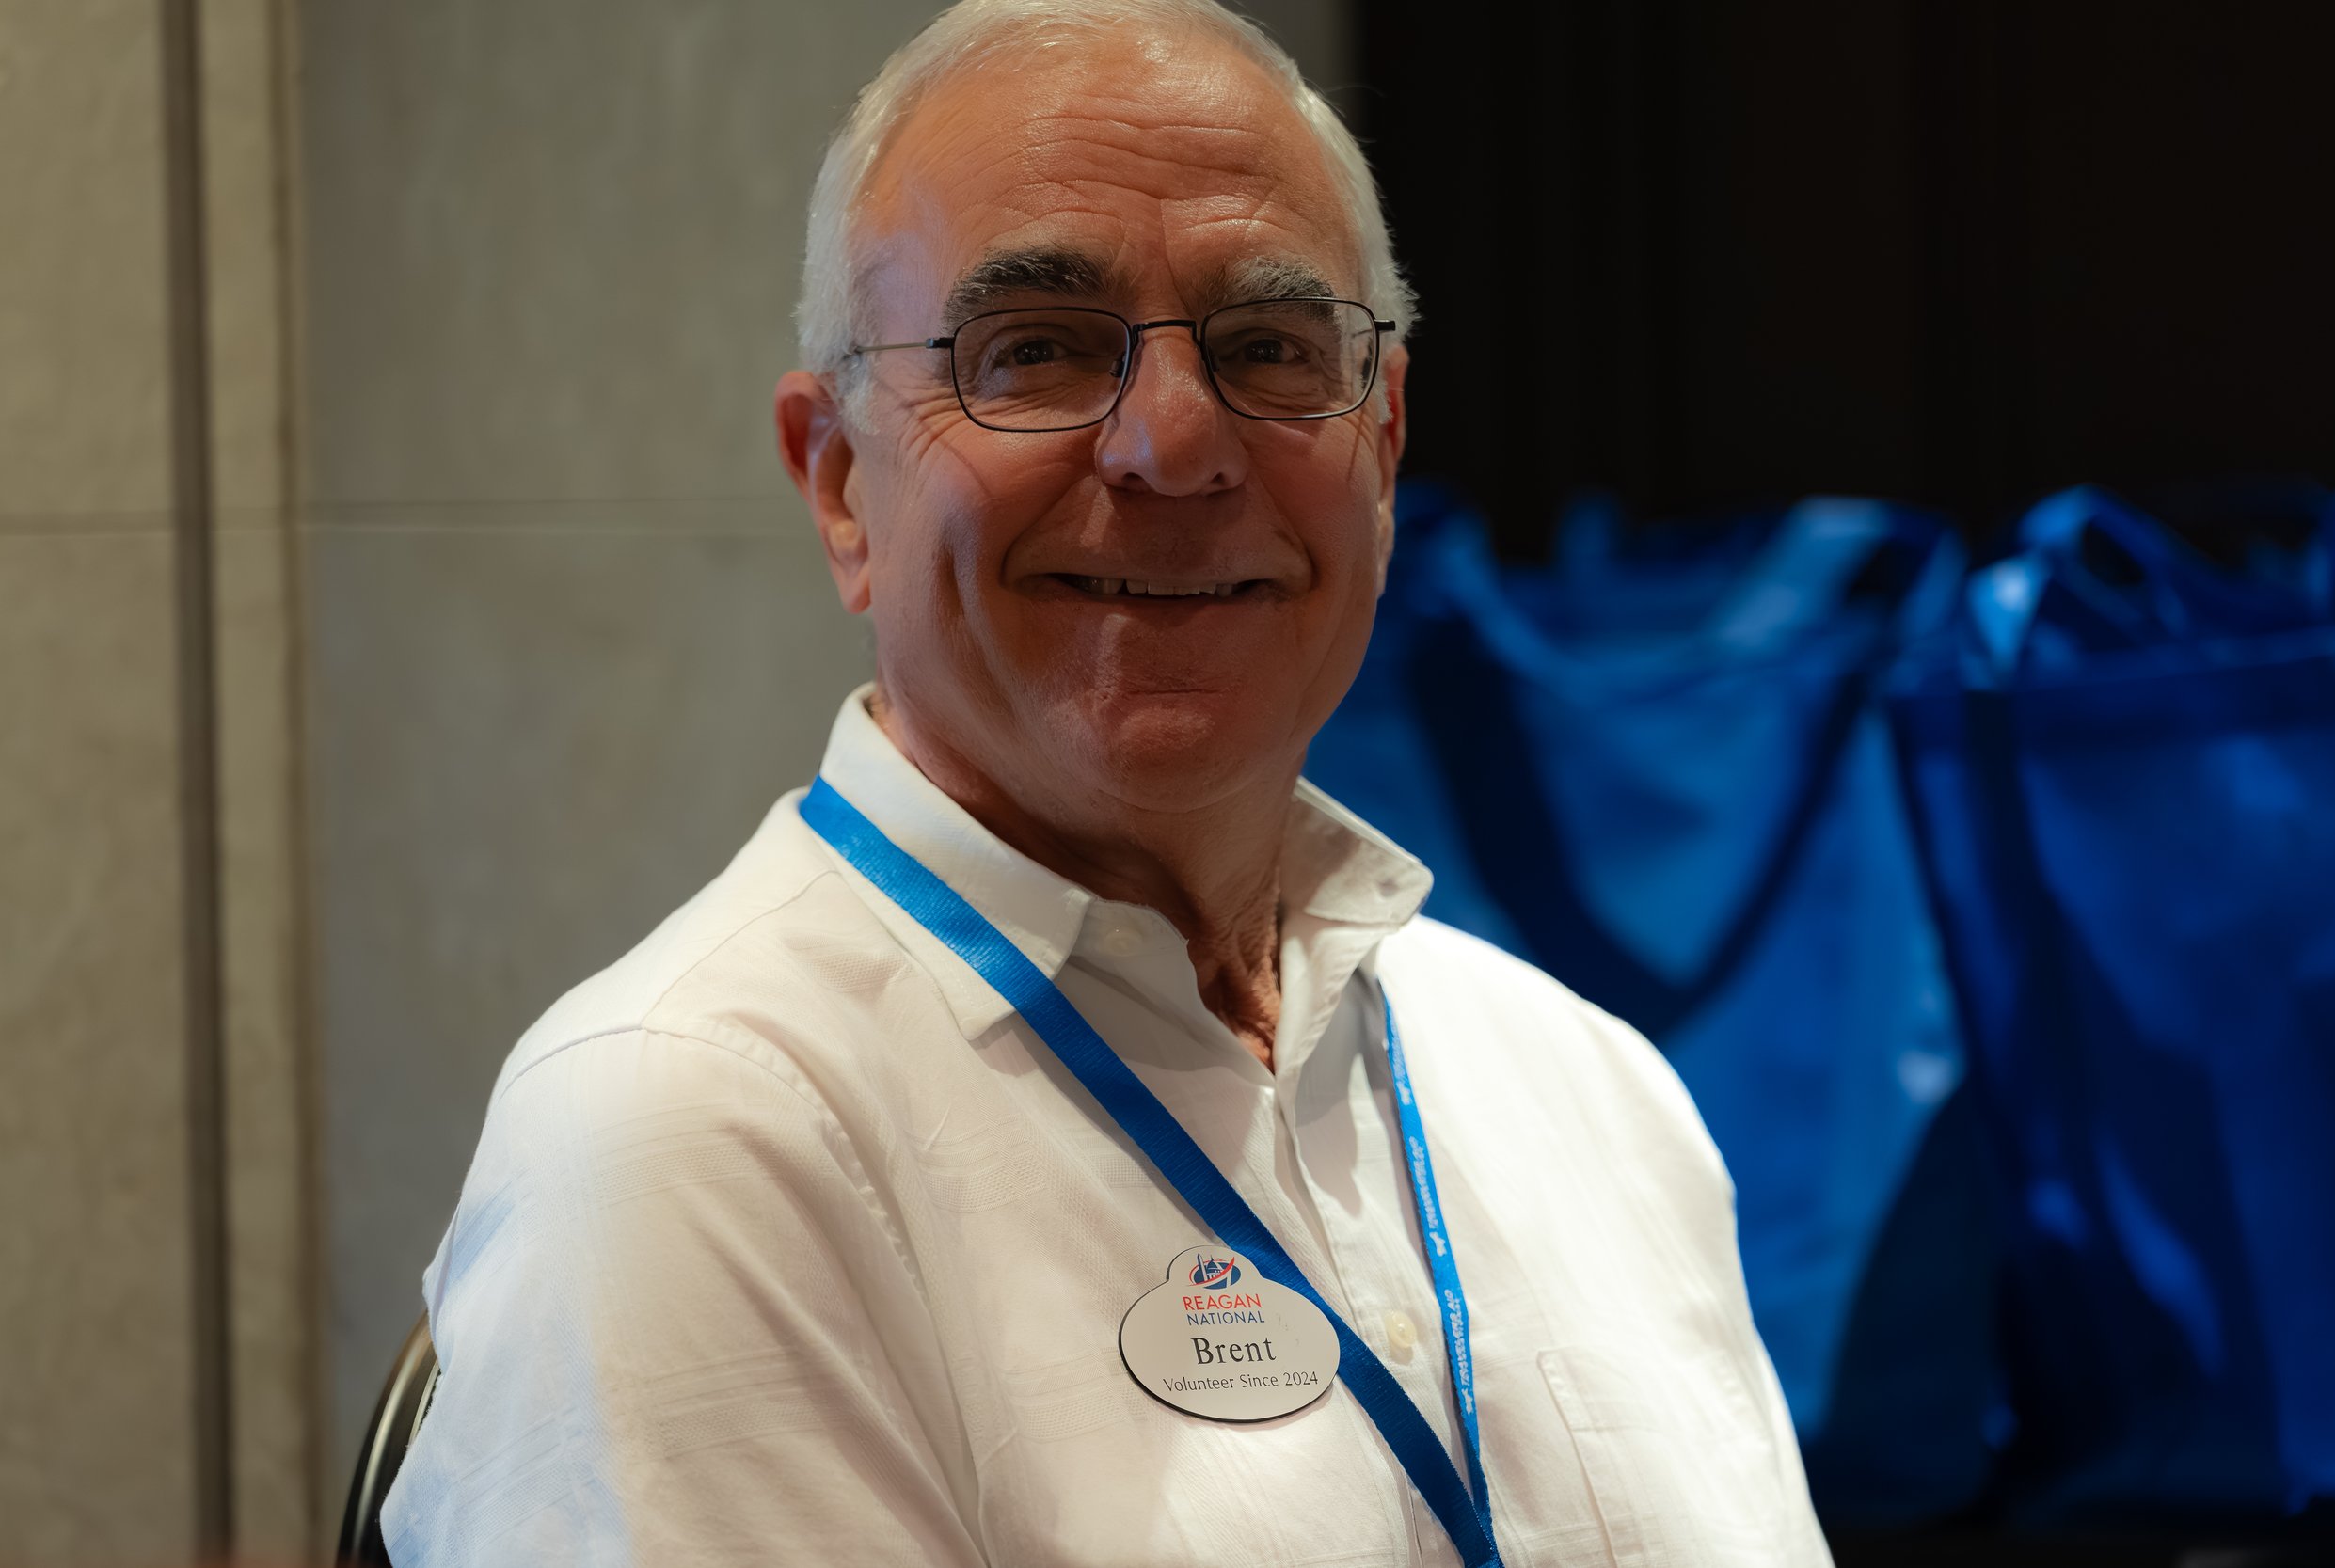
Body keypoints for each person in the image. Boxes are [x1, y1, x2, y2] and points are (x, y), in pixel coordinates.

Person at [381, 1, 1832, 1563]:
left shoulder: (1587, 1089)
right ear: (842, 485)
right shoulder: (692, 1133)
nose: (1177, 444)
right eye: (1038, 352)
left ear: (1386, 444)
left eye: (1271, 348)